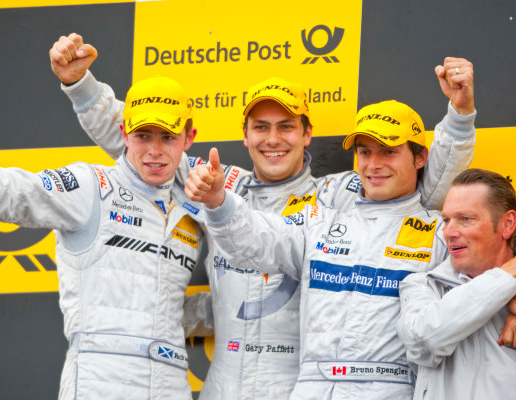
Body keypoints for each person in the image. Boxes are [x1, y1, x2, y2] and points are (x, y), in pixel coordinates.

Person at [49, 33, 477, 399]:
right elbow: (146, 148)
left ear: (307, 133)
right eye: (261, 127)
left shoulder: (334, 195)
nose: (274, 140)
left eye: (286, 126)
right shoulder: (219, 182)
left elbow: (425, 183)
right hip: (223, 382)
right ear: (246, 135)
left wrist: (458, 119)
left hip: (293, 383)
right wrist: (82, 87)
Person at [0, 77, 204, 399]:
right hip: (100, 380)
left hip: (172, 383)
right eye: (142, 135)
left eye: (167, 137)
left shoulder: (194, 207)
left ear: (188, 139)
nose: (154, 150)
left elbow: (168, 309)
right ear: (124, 134)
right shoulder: (90, 186)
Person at [185, 98, 464, 399]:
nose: (374, 164)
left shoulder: (439, 232)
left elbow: (478, 290)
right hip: (310, 389)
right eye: (365, 152)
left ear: (420, 158)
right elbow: (257, 238)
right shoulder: (319, 218)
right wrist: (218, 201)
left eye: (389, 152)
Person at [396, 168, 516, 400]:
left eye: (465, 219)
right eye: (446, 219)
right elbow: (424, 342)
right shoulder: (421, 285)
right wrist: (506, 278)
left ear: (508, 224)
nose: (448, 231)